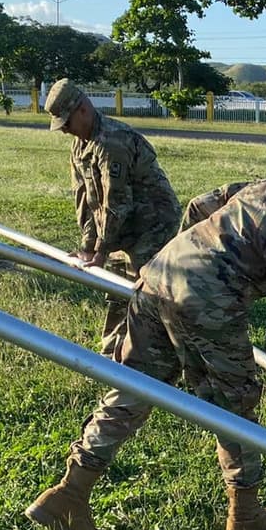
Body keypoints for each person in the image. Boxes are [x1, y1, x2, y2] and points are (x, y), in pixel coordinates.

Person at [24, 175, 266, 530]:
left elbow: (200, 204)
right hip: (206, 305)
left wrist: (190, 258)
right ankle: (245, 517)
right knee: (236, 405)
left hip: (160, 274)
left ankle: (68, 494)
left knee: (136, 386)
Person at [45, 78, 182, 351]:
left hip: (152, 222)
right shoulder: (80, 144)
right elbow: (85, 199)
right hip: (122, 225)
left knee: (145, 291)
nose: (65, 132)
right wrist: (87, 246)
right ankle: (114, 349)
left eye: (67, 124)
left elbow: (116, 202)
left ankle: (155, 355)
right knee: (117, 288)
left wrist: (102, 249)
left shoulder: (113, 141)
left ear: (83, 109)